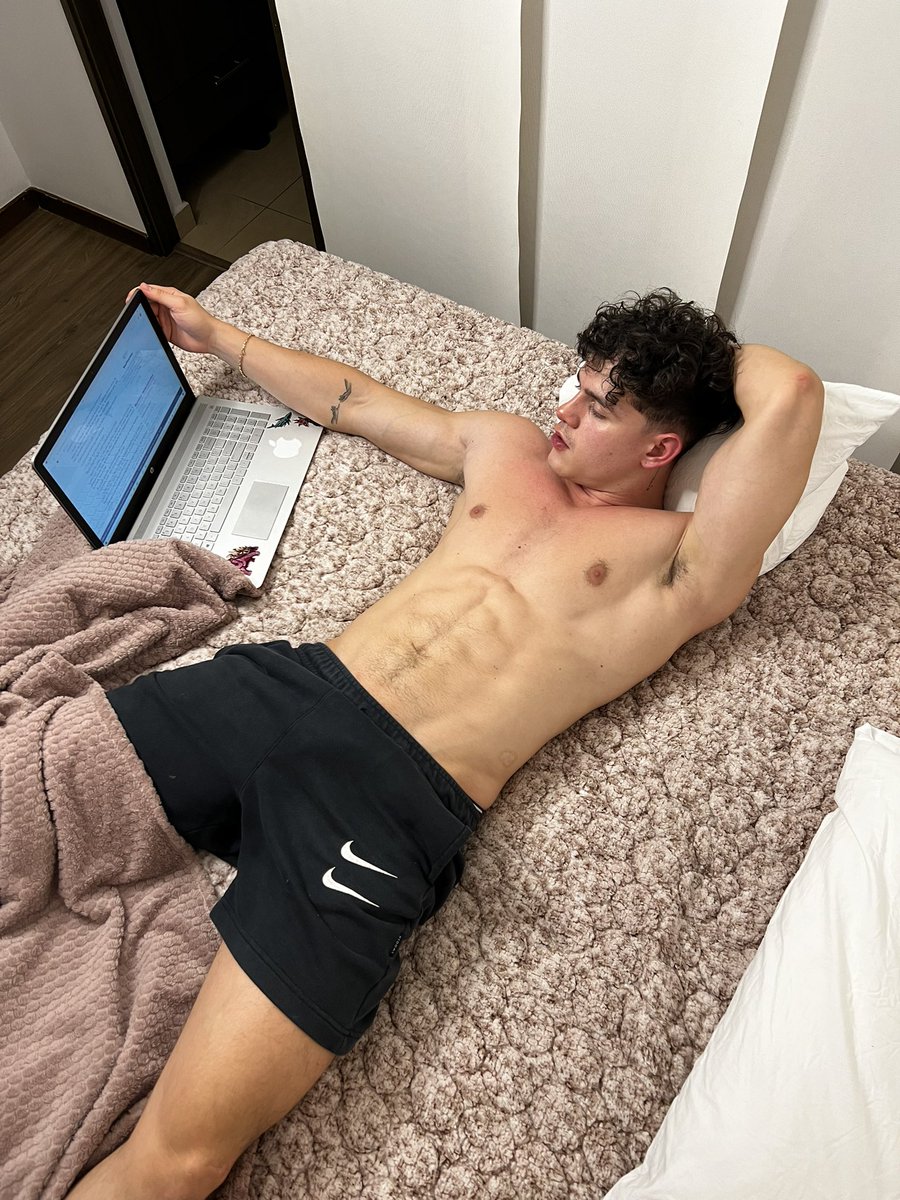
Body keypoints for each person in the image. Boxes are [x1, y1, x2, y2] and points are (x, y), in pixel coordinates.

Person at [69, 285, 823, 1199]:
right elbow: (356, 401)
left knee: (183, 1155)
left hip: (388, 801)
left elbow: (791, 393)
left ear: (662, 448)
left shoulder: (681, 562)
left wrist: (693, 363)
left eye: (599, 408)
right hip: (287, 687)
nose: (564, 410)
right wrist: (220, 336)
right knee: (35, 779)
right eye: (577, 385)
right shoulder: (508, 448)